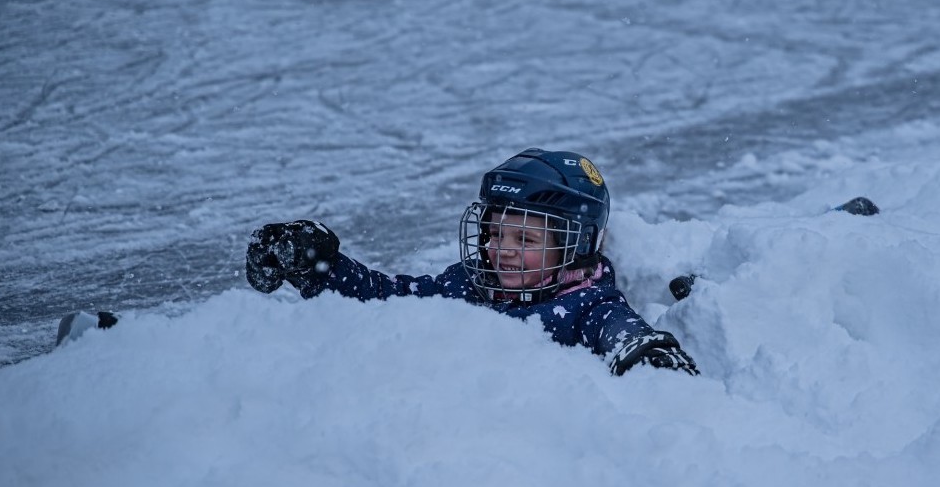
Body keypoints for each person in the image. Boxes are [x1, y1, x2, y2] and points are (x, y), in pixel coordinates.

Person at [245, 148, 698, 377]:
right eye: (496, 232)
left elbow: (621, 331)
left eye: (525, 237)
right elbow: (387, 299)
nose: (502, 248)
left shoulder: (587, 304)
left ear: (574, 246)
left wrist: (647, 354)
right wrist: (320, 265)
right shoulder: (468, 285)